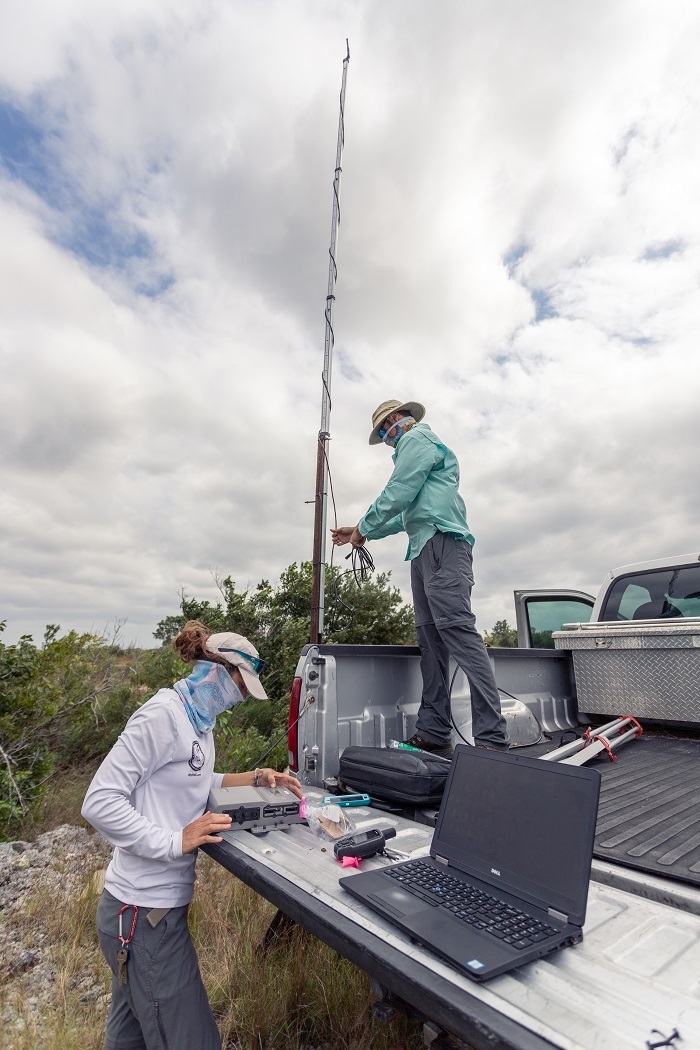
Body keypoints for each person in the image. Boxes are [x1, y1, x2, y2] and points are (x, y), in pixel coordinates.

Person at [82, 622, 302, 1050]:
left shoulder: (198, 723)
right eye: (240, 688)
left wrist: (255, 778)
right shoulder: (162, 716)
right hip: (143, 915)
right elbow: (99, 801)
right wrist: (173, 841)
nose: (239, 701)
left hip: (146, 914)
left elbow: (193, 779)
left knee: (129, 1040)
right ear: (217, 670)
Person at [331, 399, 509, 759]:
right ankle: (432, 731)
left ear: (397, 419)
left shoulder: (417, 440)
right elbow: (404, 515)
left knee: (457, 633)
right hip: (423, 548)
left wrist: (363, 529)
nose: (385, 438)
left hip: (444, 543)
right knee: (431, 642)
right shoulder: (414, 450)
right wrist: (363, 529)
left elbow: (399, 490)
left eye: (384, 431)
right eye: (382, 435)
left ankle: (492, 736)